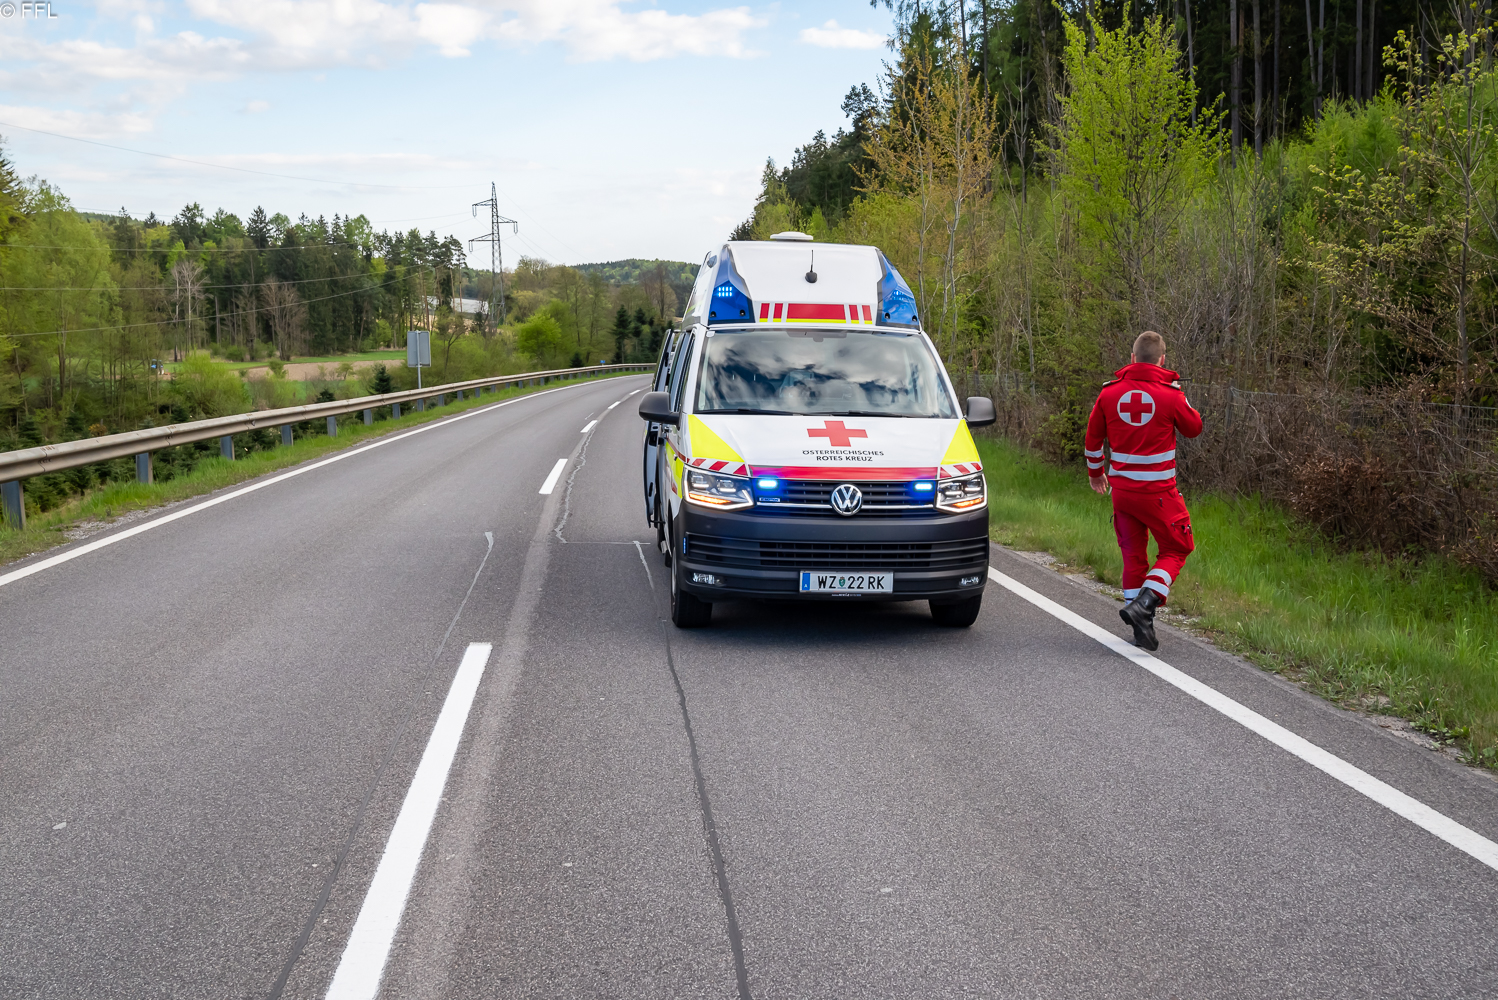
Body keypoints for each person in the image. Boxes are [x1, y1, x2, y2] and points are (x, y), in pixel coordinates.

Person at [1084, 331, 1203, 651]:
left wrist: (1096, 474)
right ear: (1162, 360)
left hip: (1122, 493)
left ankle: (1141, 626)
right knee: (1178, 548)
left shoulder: (1108, 393)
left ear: (1132, 358)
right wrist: (1179, 394)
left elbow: (1092, 440)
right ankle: (1146, 603)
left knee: (1133, 557)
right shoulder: (1171, 395)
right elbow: (1194, 428)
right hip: (1159, 494)